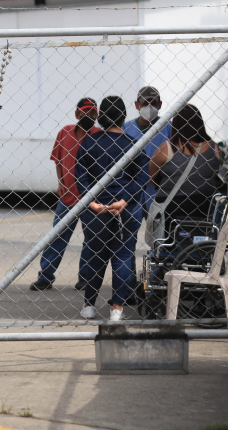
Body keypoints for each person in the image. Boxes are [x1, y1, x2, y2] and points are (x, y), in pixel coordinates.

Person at [75, 96, 148, 321]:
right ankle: (117, 309)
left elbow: (80, 174)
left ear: (101, 116)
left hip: (97, 210)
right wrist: (124, 200)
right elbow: (143, 175)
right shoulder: (132, 144)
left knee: (96, 256)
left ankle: (89, 306)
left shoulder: (89, 142)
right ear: (123, 116)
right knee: (123, 256)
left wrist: (92, 201)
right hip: (125, 210)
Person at [29, 98, 102, 291]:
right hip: (68, 197)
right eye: (85, 112)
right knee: (57, 237)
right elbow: (58, 160)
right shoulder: (64, 133)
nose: (89, 116)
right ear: (77, 114)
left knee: (91, 239)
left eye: (93, 113)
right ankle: (45, 277)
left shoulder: (99, 135)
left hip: (90, 198)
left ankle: (85, 277)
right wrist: (61, 183)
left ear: (97, 115)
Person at [149, 104, 220, 228]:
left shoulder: (166, 149)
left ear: (176, 125)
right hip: (205, 208)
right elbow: (216, 170)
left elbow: (151, 178)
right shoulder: (214, 148)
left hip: (171, 209)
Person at [122, 86, 172, 214]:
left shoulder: (168, 127)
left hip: (158, 188)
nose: (149, 107)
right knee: (130, 229)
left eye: (153, 103)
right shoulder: (126, 129)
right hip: (132, 188)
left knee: (158, 228)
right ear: (137, 105)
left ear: (160, 105)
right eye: (145, 103)